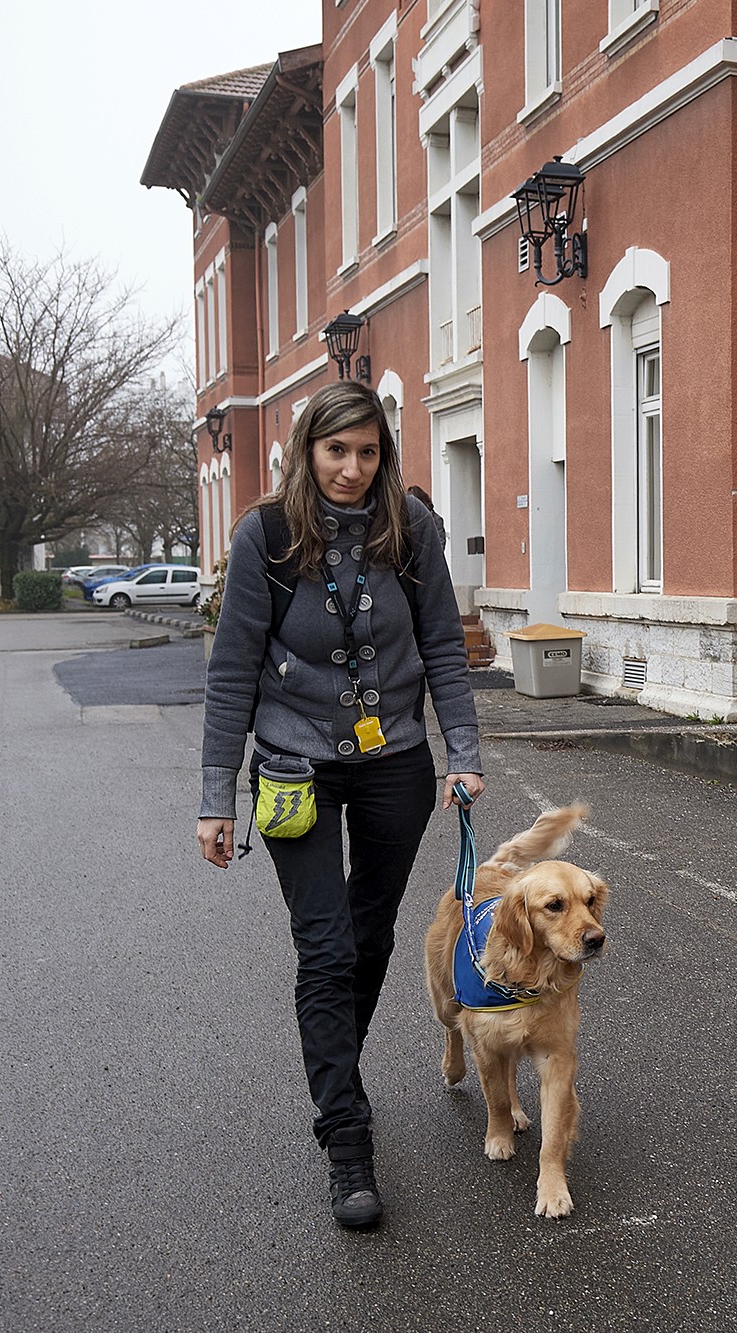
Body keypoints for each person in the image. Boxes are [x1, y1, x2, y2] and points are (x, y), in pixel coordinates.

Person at [197, 381, 483, 1230]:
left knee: (371, 934)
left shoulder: (413, 528)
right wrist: (216, 797)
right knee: (323, 949)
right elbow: (231, 671)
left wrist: (463, 753)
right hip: (295, 770)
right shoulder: (268, 536)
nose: (352, 469)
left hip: (394, 759)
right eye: (336, 451)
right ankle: (346, 1138)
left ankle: (337, 1075)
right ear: (305, 451)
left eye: (367, 452)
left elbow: (443, 645)